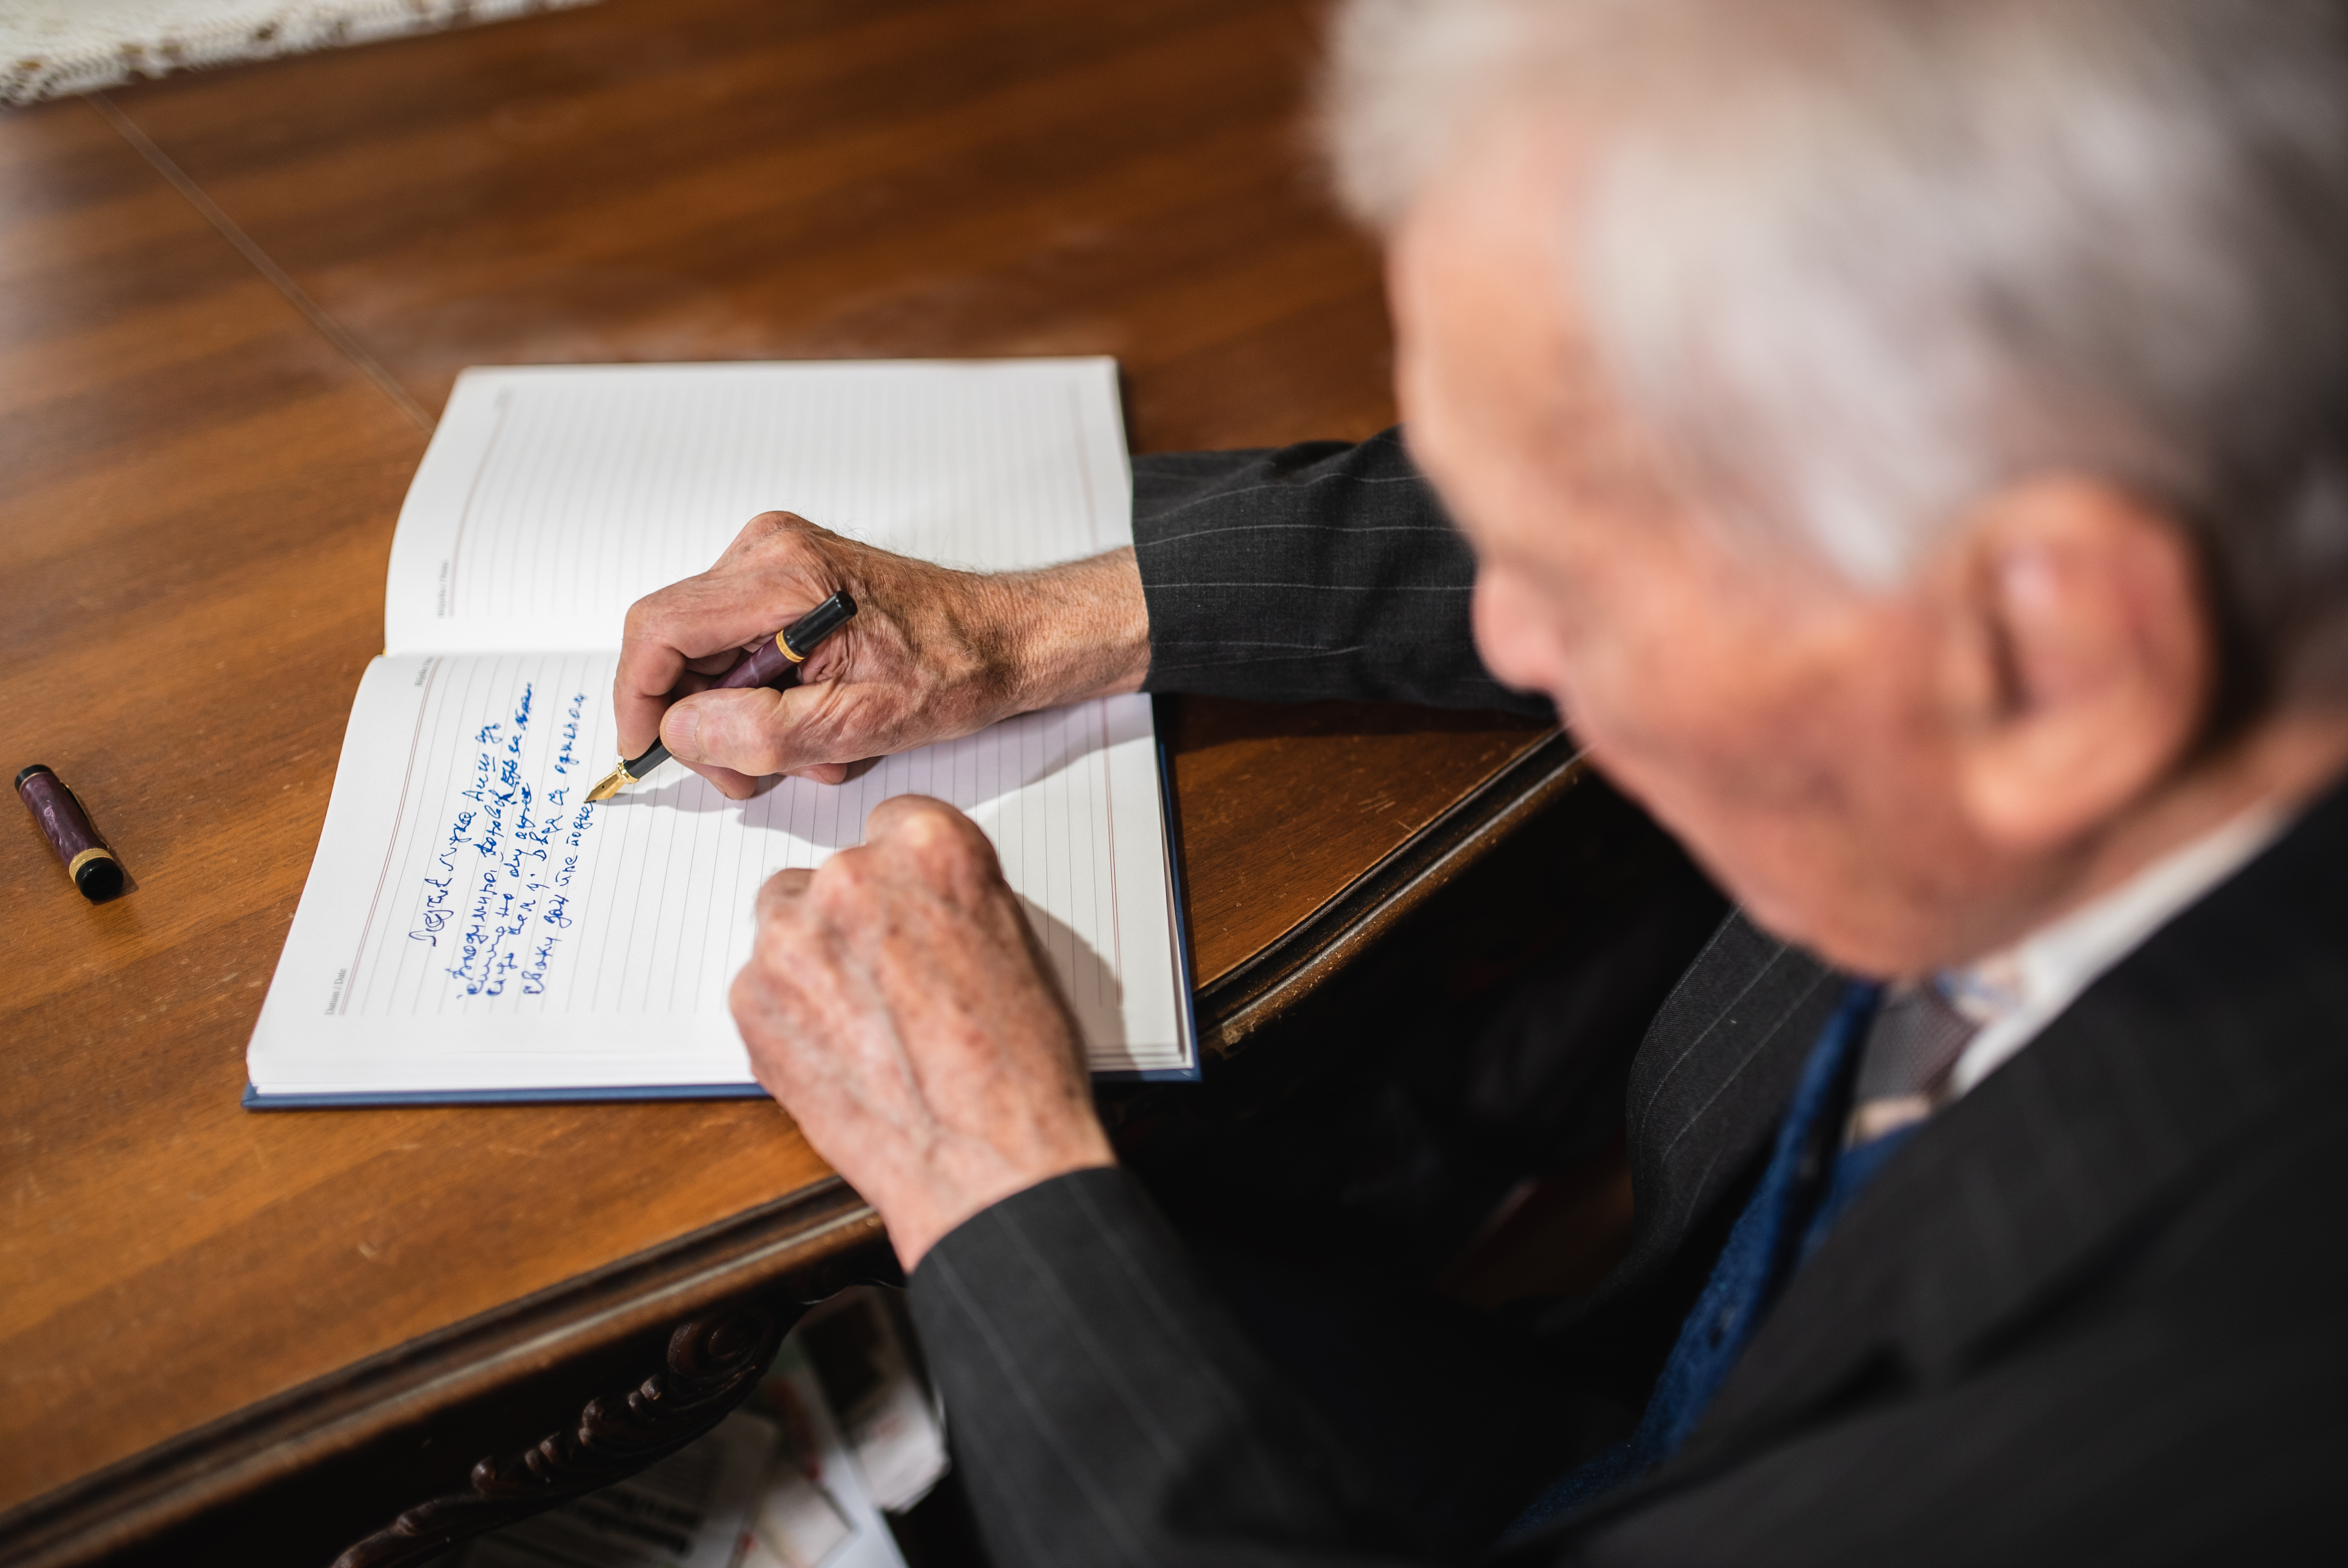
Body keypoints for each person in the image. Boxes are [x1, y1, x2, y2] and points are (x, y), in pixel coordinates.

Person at [615, 0, 2348, 1559]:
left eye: (1576, 566)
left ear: (2055, 661)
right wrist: (1012, 630)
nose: (1509, 633)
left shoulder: (2216, 1410)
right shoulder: (2171, 428)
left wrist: (979, 1168)